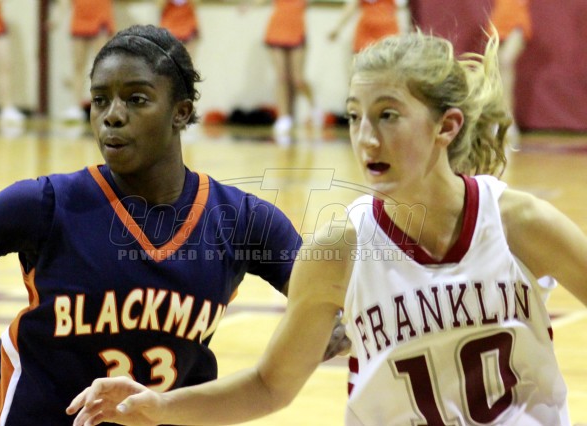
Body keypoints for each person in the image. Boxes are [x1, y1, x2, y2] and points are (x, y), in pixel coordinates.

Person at [68, 29, 587, 426]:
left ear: (446, 126)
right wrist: (159, 406)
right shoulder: (338, 251)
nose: (366, 138)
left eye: (388, 116)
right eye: (355, 117)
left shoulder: (518, 223)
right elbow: (270, 385)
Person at [0, 24, 350, 425]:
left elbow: (335, 302)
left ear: (181, 112)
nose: (112, 116)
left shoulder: (242, 221)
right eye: (100, 100)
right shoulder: (44, 204)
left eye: (136, 99)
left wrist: (325, 327)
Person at [245, 0, 322, 137]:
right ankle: (284, 117)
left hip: (296, 28)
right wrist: (249, 5)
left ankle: (313, 107)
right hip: (277, 28)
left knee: (298, 79)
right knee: (281, 77)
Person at [50, 0, 116, 122]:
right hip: (79, 19)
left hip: (101, 18)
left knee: (102, 66)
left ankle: (104, 104)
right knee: (78, 65)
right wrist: (57, 17)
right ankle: (76, 105)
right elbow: (64, 3)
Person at [488, 0, 532, 141]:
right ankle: (497, 117)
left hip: (517, 21)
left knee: (506, 61)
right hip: (499, 18)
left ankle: (508, 120)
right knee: (495, 69)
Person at [327, 0, 411, 53]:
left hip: (388, 32)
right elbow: (350, 8)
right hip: (366, 32)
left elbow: (402, 10)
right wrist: (337, 28)